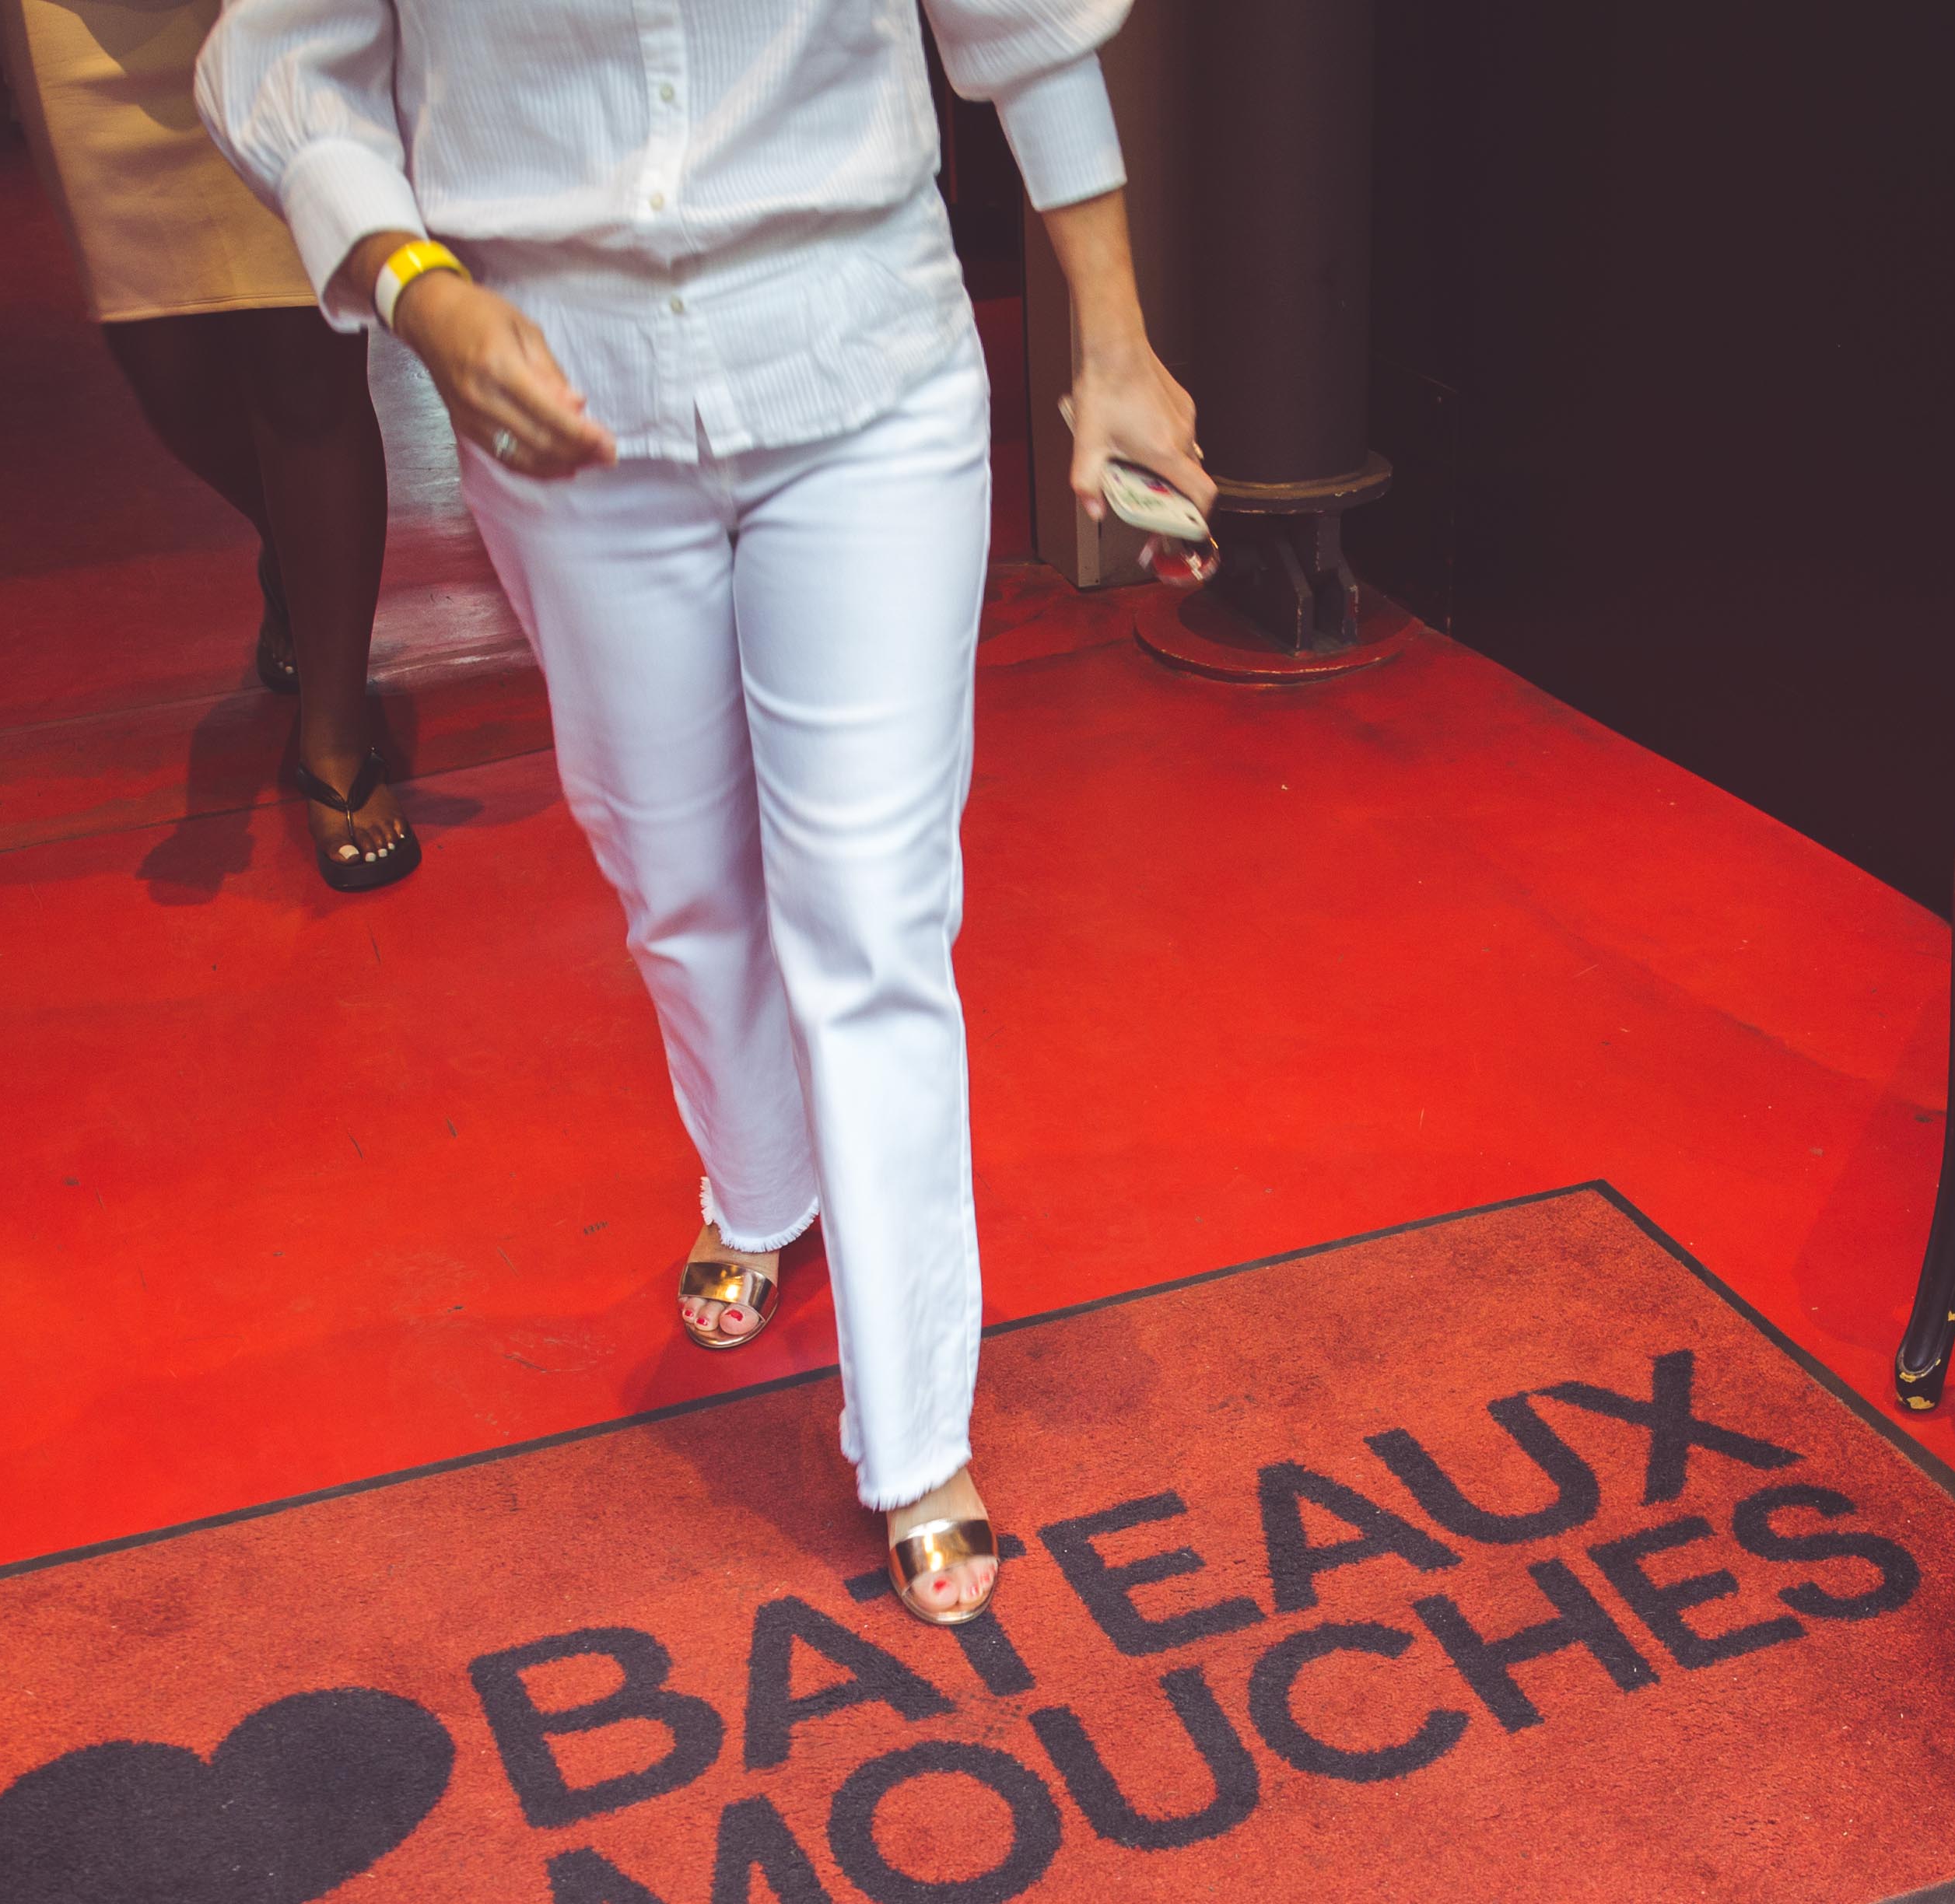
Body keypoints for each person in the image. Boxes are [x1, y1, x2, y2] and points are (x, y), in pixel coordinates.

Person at [194, 0, 1202, 1623]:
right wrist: (414, 284)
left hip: (863, 363)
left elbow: (1024, 25)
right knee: (676, 879)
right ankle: (757, 1186)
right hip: (560, 400)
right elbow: (275, 61)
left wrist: (1116, 339)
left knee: (870, 914)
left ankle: (914, 1424)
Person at [0, 0, 418, 891]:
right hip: (79, 24)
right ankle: (297, 553)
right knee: (168, 375)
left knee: (306, 373)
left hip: (272, 20)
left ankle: (334, 735)